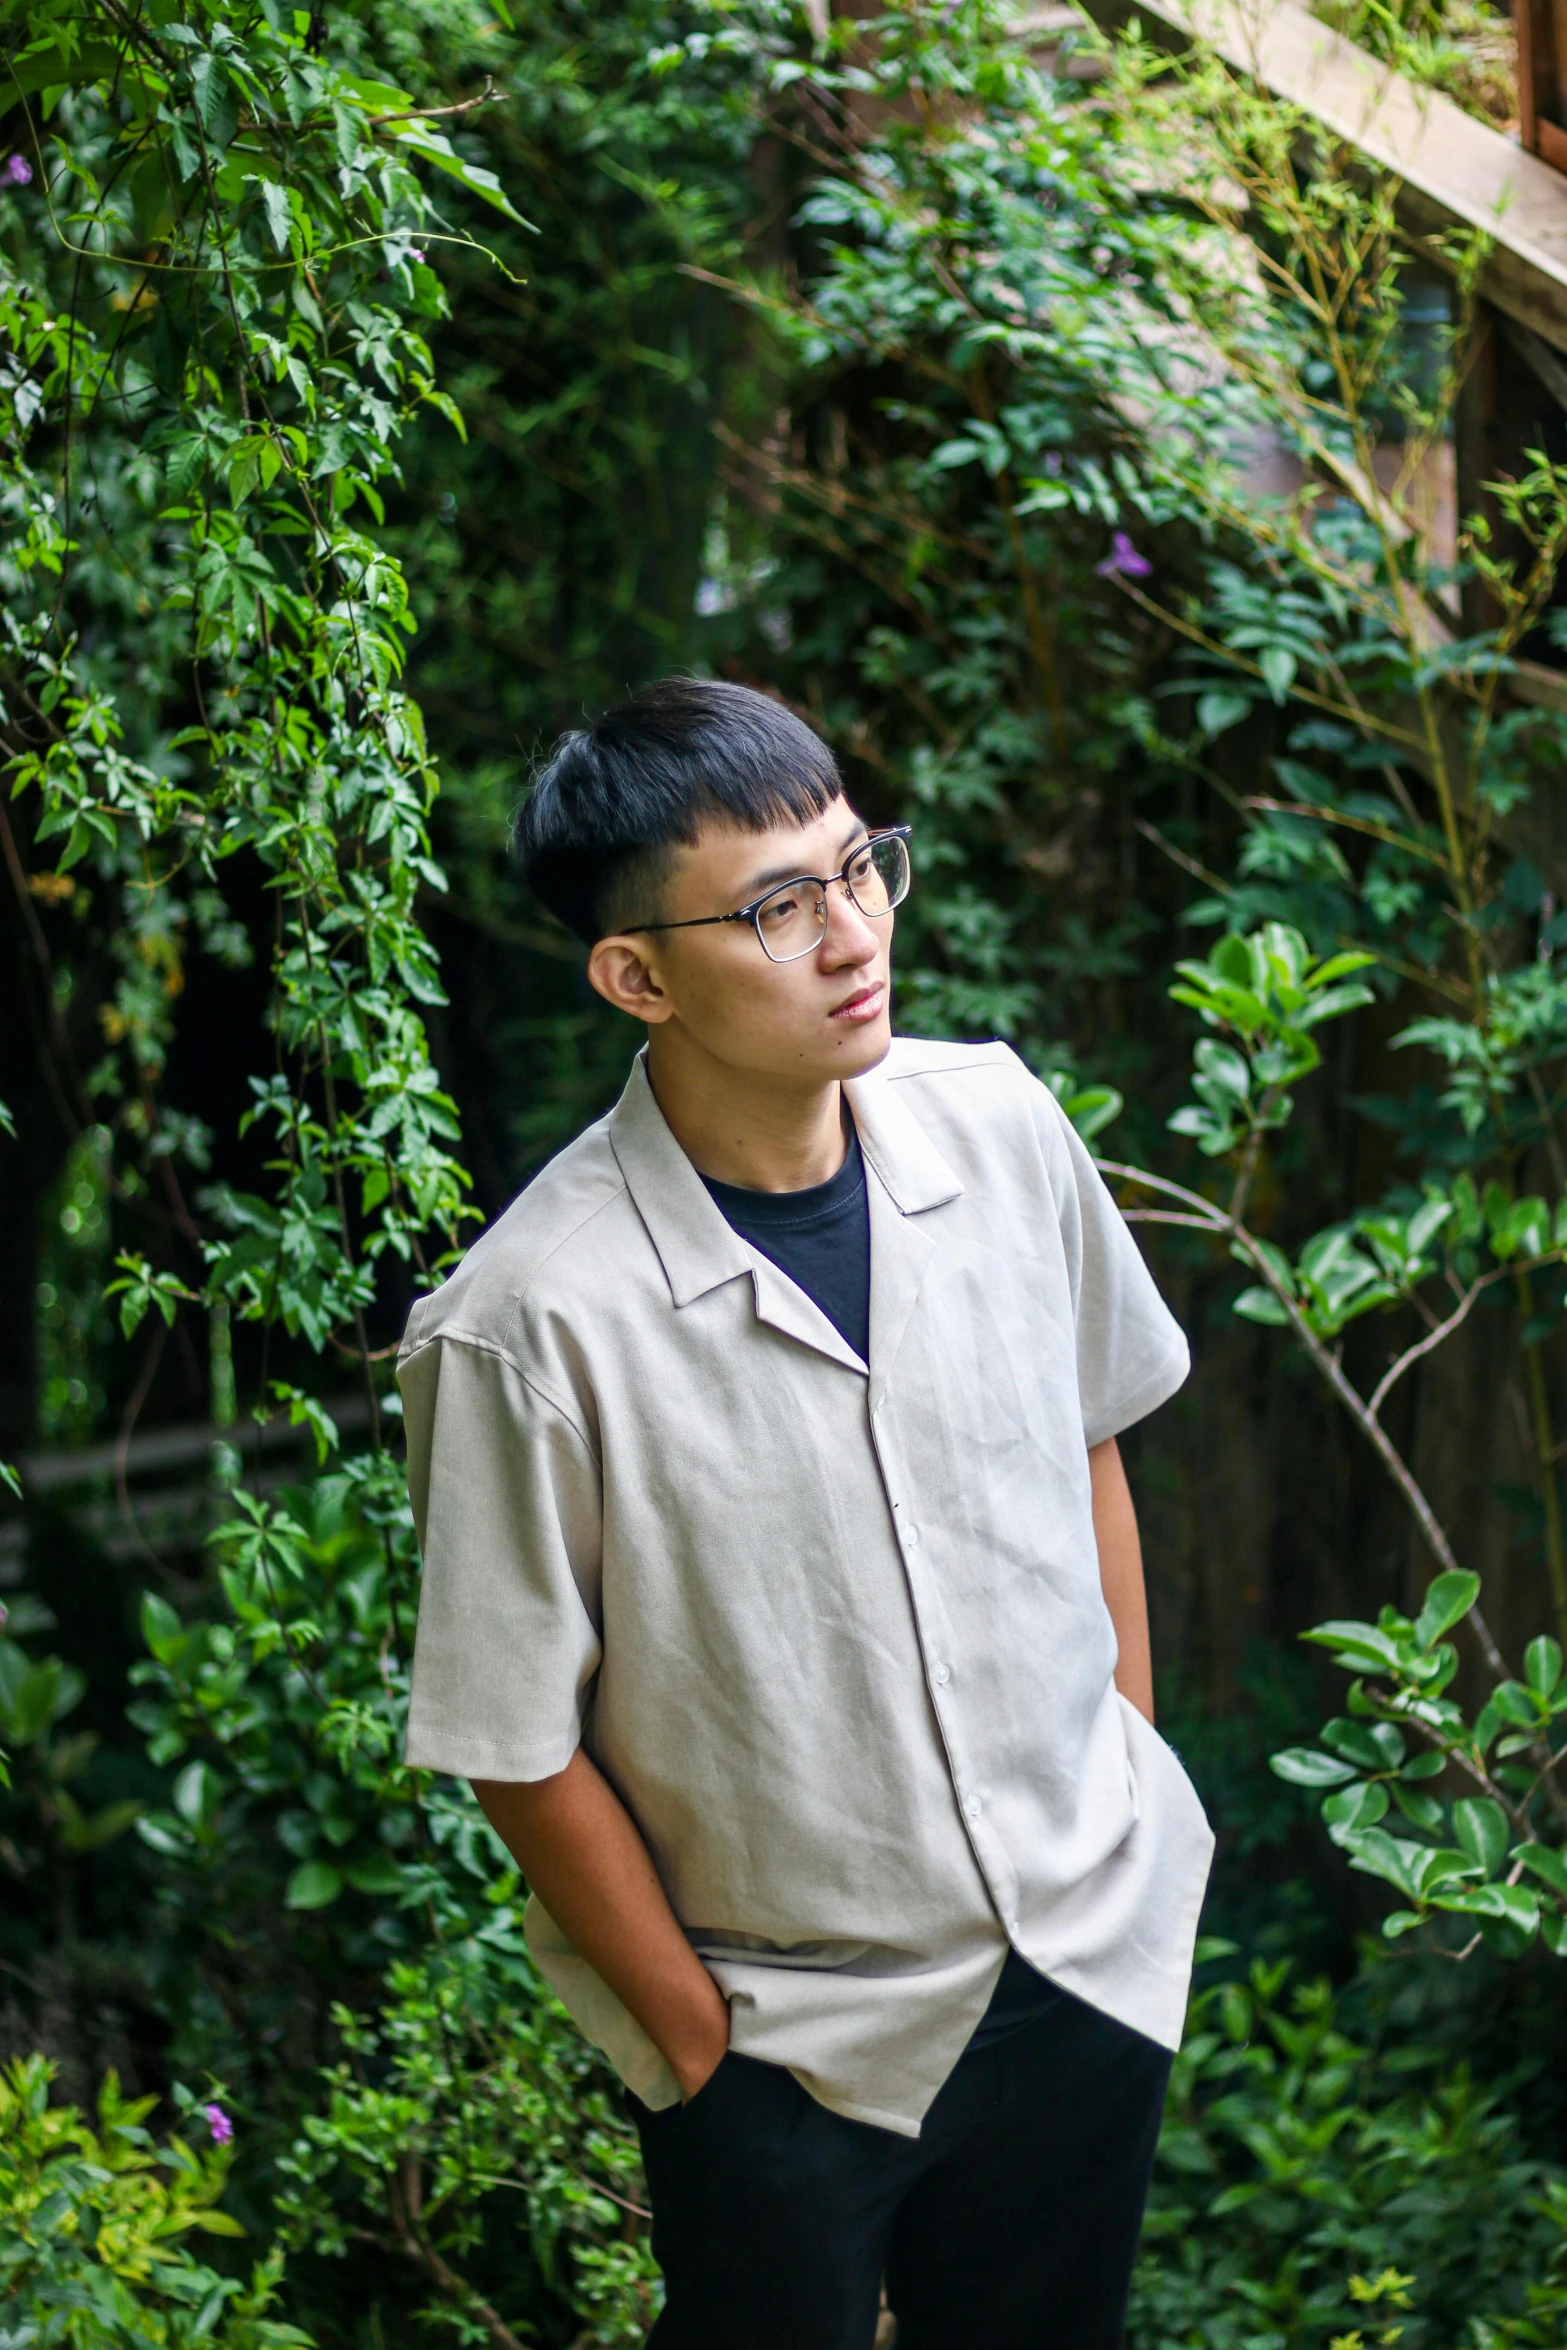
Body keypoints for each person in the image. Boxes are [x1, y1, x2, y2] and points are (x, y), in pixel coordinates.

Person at [398, 678, 1213, 2350]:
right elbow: (511, 1732)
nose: (851, 934)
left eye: (859, 869)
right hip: (789, 2045)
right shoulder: (527, 1320)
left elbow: (1089, 1442)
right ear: (635, 974)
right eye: (777, 905)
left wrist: (1123, 1778)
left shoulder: (996, 1122)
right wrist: (700, 2048)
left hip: (1076, 1961)